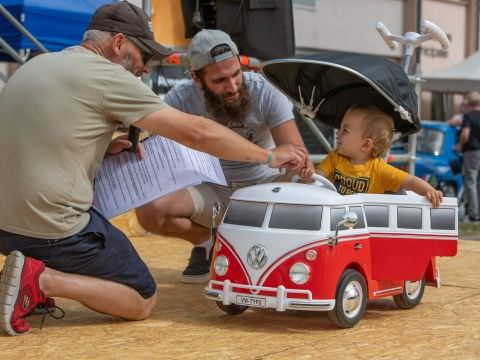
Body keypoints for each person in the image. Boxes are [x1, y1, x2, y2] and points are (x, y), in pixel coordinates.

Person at [0, 2, 308, 336]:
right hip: (50, 227)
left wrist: (101, 148)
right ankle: (41, 280)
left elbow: (40, 137)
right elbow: (197, 133)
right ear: (118, 44)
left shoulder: (37, 64)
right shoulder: (105, 75)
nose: (145, 69)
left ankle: (25, 275)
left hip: (5, 226)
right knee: (141, 298)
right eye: (143, 54)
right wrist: (269, 158)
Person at [136, 29, 313, 283]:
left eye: (236, 74)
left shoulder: (266, 91)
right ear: (195, 78)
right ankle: (208, 242)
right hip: (211, 189)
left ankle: (280, 255)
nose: (232, 87)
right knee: (151, 209)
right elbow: (157, 156)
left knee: (308, 186)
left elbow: (298, 156)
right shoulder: (180, 98)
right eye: (220, 80)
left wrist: (301, 166)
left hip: (261, 189)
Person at [301, 105, 443, 207]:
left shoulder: (379, 169)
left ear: (365, 145)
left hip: (364, 226)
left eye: (345, 130)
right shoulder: (334, 158)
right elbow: (319, 177)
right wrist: (310, 176)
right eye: (340, 127)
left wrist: (430, 191)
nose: (338, 132)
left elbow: (410, 181)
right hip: (335, 219)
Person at [457, 92, 480, 221]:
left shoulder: (469, 116)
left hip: (472, 152)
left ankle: (474, 213)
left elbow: (465, 134)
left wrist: (460, 144)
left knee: (471, 181)